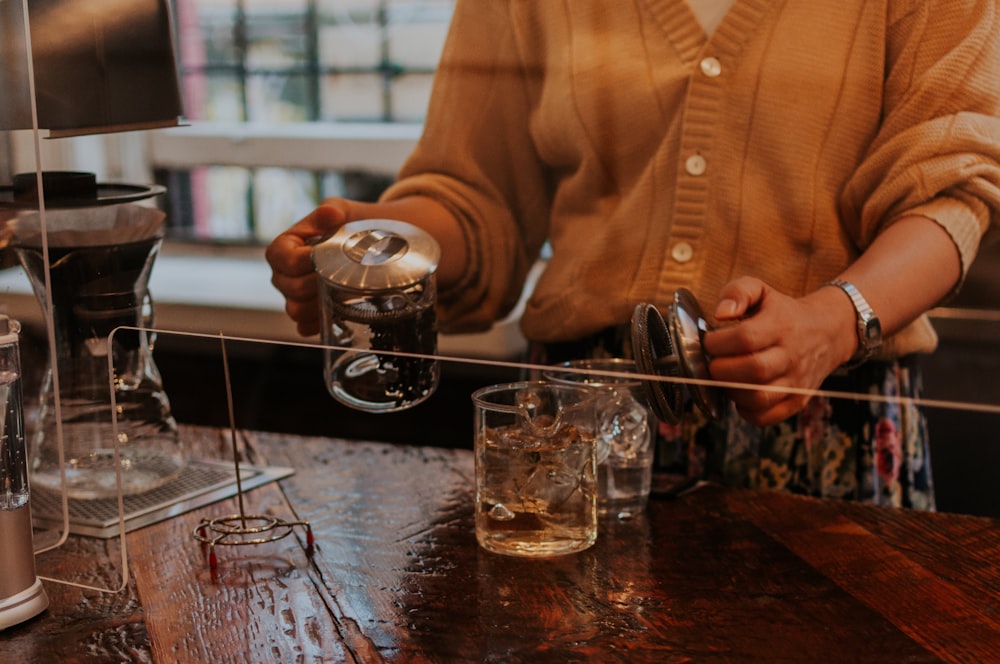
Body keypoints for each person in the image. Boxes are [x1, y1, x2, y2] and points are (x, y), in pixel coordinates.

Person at [267, 0, 1000, 509]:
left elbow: (951, 190)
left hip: (822, 419)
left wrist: (833, 323)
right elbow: (475, 195)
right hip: (574, 430)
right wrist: (387, 250)